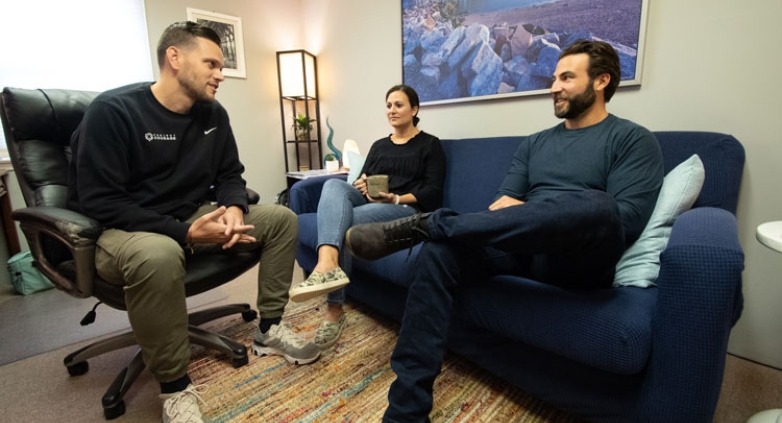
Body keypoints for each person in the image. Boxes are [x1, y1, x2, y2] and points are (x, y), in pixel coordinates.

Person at [346, 40, 665, 422]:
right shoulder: (536, 143)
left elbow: (623, 220)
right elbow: (501, 207)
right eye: (553, 77)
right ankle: (405, 412)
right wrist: (527, 216)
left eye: (566, 77)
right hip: (522, 245)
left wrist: (543, 210)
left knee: (596, 203)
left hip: (580, 258)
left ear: (601, 81)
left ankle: (429, 223)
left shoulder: (632, 139)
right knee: (439, 254)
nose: (554, 86)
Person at [67, 21, 319, 423]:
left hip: (188, 216)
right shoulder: (113, 112)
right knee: (159, 255)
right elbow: (102, 200)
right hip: (122, 229)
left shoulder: (212, 114)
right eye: (212, 64)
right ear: (174, 58)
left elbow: (231, 175)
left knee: (281, 219)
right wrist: (184, 232)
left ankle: (269, 329)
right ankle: (175, 389)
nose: (221, 74)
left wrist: (234, 208)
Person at [288, 84, 446, 349]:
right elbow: (366, 176)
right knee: (333, 185)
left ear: (414, 109)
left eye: (398, 105)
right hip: (368, 202)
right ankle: (327, 263)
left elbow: (432, 191)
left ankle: (334, 311)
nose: (391, 110)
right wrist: (362, 183)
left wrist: (394, 197)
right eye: (388, 105)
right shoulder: (379, 145)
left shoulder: (430, 145)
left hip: (403, 208)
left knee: (345, 222)